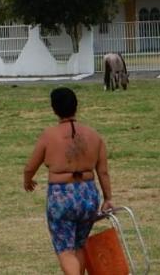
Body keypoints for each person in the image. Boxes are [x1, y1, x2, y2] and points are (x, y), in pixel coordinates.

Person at [23, 87, 114, 275]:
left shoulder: (49, 135)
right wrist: (108, 198)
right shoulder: (94, 135)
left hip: (61, 195)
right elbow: (103, 171)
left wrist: (27, 180)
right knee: (79, 246)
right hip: (88, 195)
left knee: (65, 250)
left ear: (54, 109)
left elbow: (30, 167)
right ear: (76, 107)